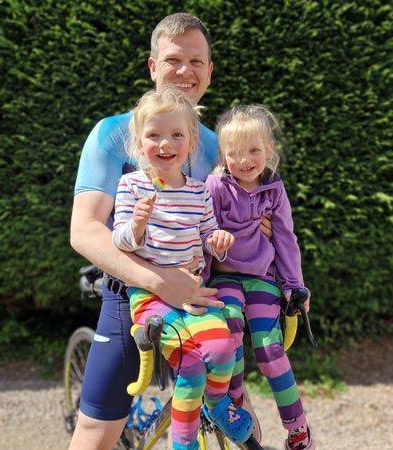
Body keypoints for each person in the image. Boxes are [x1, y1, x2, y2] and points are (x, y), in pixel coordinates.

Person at [68, 12, 268, 449]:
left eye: (197, 62)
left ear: (210, 72)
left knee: (243, 420)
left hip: (201, 297)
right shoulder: (113, 135)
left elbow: (236, 226)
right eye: (173, 60)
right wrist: (159, 281)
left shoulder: (220, 147)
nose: (185, 71)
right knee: (95, 432)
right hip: (132, 296)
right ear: (153, 67)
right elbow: (84, 230)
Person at [111, 88, 252, 449]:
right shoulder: (131, 186)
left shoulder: (198, 191)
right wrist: (137, 225)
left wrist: (217, 239)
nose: (165, 143)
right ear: (139, 143)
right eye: (154, 135)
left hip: (194, 289)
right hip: (151, 296)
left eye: (176, 135)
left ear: (190, 142)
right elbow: (121, 243)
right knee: (190, 364)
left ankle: (219, 402)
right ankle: (183, 442)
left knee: (222, 349)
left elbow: (206, 233)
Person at [205, 105, 313, 450]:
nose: (244, 160)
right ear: (223, 155)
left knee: (269, 348)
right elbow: (203, 233)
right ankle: (237, 405)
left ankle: (298, 428)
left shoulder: (274, 190)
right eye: (234, 152)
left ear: (269, 150)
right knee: (230, 329)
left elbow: (285, 238)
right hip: (224, 279)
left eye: (253, 150)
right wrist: (200, 278)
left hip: (262, 279)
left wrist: (294, 286)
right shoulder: (216, 186)